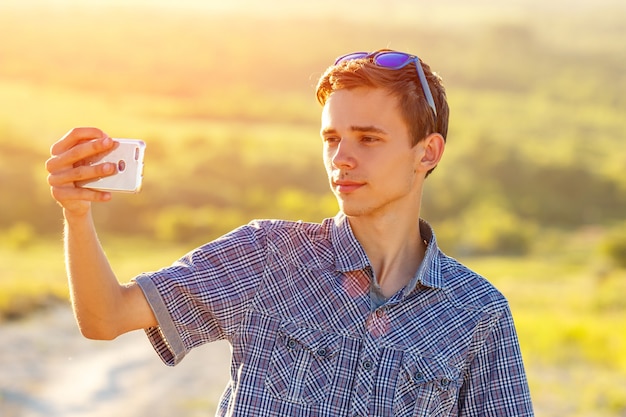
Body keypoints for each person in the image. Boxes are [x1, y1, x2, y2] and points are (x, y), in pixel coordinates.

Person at [45, 49, 534, 416]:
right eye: (332, 138)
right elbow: (105, 317)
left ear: (427, 153)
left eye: (368, 139)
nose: (342, 157)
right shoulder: (264, 254)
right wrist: (77, 214)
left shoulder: (478, 314)